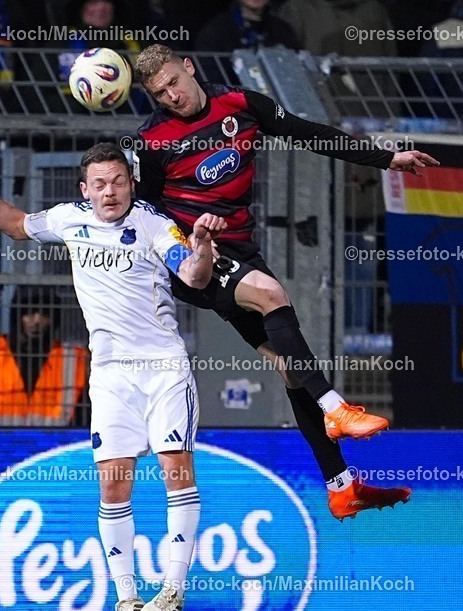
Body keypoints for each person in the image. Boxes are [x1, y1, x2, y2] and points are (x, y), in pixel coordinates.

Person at [131, 44, 437, 520]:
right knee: (272, 294)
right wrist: (181, 253)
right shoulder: (152, 141)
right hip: (196, 258)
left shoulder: (240, 104)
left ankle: (340, 485)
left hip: (240, 250)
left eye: (173, 81)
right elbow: (146, 213)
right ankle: (337, 408)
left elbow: (308, 132)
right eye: (158, 92)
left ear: (189, 67)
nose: (170, 96)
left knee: (291, 366)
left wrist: (386, 159)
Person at [0, 143, 224, 611]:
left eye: (119, 182)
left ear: (131, 183)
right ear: (85, 190)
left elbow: (192, 273)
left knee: (175, 470)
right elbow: (16, 224)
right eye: (100, 184)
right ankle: (126, 599)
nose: (110, 191)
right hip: (109, 376)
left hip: (163, 369)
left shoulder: (152, 222)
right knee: (113, 484)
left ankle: (171, 588)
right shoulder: (68, 219)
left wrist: (204, 247)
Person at [0, 285, 89, 426]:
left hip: (56, 445)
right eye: (29, 312)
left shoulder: (74, 359)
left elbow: (85, 412)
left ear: (54, 320)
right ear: (17, 316)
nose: (37, 320)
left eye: (45, 314)